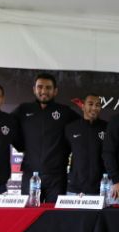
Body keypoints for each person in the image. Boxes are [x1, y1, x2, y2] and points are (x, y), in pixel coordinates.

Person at [10, 72, 79, 203]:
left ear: (55, 91)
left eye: (48, 88)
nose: (44, 91)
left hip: (57, 176)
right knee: (29, 212)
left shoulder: (65, 111)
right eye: (40, 87)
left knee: (54, 213)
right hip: (31, 174)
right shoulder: (23, 109)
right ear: (34, 89)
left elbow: (84, 127)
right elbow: (3, 122)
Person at [64, 93, 108, 195]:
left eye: (97, 105)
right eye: (90, 104)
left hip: (100, 188)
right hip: (74, 188)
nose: (94, 108)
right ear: (83, 106)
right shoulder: (71, 128)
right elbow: (63, 154)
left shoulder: (107, 128)